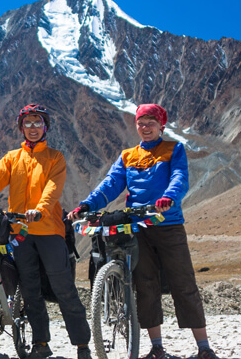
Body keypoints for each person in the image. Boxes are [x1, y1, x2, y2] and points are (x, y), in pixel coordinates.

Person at [66, 103, 218, 359]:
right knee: (145, 284)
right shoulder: (128, 156)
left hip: (168, 224)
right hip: (136, 227)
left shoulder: (174, 149)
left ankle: (204, 348)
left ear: (161, 126)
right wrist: (88, 204)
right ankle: (156, 348)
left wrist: (169, 197)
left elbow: (179, 177)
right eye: (141, 123)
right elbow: (111, 184)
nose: (145, 127)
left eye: (150, 122)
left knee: (184, 282)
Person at [0, 104, 92, 359]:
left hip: (49, 230)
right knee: (30, 290)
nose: (32, 128)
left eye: (37, 123)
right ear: (21, 127)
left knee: (64, 288)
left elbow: (53, 188)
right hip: (20, 233)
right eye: (28, 123)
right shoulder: (12, 158)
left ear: (45, 127)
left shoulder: (55, 157)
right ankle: (41, 343)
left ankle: (82, 345)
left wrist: (40, 209)